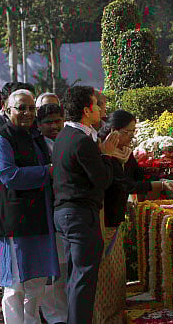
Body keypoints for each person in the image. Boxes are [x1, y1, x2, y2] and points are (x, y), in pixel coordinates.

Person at [91, 110, 173, 323]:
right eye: (127, 132)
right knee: (106, 279)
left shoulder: (124, 151)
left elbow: (138, 176)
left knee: (117, 279)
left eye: (134, 131)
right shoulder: (104, 152)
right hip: (104, 221)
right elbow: (122, 184)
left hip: (116, 219)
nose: (132, 136)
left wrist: (164, 178)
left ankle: (115, 317)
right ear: (113, 131)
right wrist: (157, 185)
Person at [52, 85, 120, 324]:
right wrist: (107, 155)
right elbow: (102, 179)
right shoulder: (80, 140)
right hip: (79, 216)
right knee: (83, 280)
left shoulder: (65, 136)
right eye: (96, 104)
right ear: (86, 110)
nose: (101, 109)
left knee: (76, 278)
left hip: (69, 215)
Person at [0, 89, 60, 324]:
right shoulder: (1, 139)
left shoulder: (36, 137)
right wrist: (48, 172)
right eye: (21, 107)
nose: (27, 113)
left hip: (40, 218)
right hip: (15, 222)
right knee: (15, 285)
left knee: (37, 282)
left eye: (32, 108)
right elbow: (9, 175)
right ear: (7, 109)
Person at [36, 103, 67, 324]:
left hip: (65, 212)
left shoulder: (68, 140)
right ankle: (54, 317)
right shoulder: (37, 145)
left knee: (65, 267)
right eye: (48, 122)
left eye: (58, 120)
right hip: (45, 214)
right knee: (50, 271)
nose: (54, 126)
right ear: (39, 125)